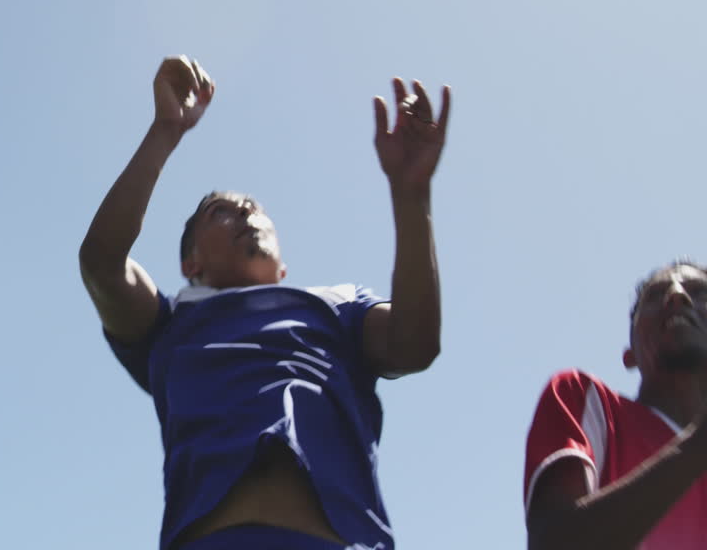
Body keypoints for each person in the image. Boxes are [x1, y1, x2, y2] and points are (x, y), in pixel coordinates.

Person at [78, 56, 452, 550]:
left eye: (253, 209)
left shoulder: (338, 305)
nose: (246, 211)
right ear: (191, 263)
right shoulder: (168, 323)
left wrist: (411, 196)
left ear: (283, 272)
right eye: (222, 212)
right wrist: (165, 131)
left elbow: (415, 345)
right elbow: (102, 262)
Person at [523, 261, 707, 550]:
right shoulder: (587, 399)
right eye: (655, 295)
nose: (676, 295)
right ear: (629, 355)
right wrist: (698, 446)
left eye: (700, 293)